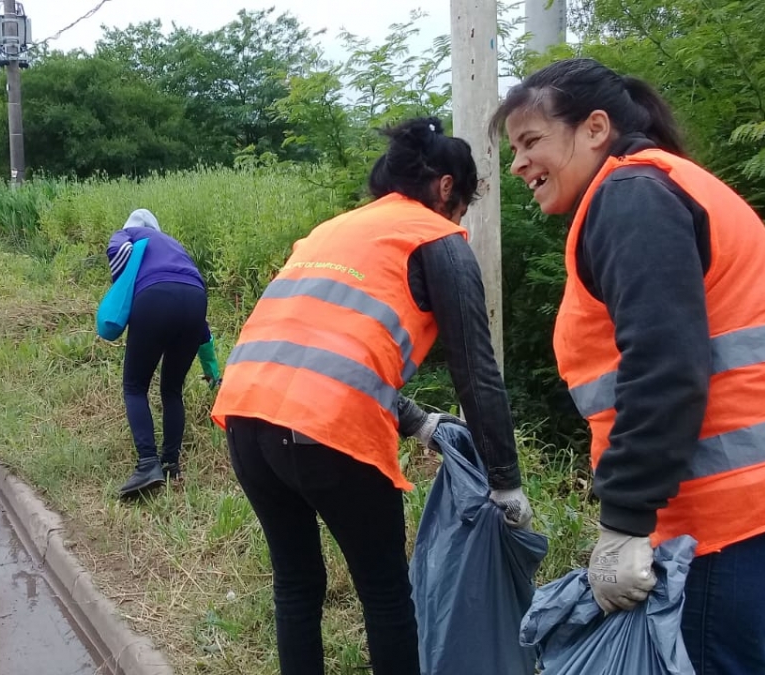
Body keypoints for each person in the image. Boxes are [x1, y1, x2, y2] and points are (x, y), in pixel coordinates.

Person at [491, 57, 765, 674]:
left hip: (738, 524)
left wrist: (624, 520)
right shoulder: (670, 185)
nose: (517, 163)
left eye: (531, 140)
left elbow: (664, 366)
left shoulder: (631, 196)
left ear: (595, 128)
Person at [209, 116, 530, 675]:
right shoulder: (436, 238)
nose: (463, 224)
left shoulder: (333, 231)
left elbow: (325, 352)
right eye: (464, 209)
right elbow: (476, 372)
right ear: (447, 189)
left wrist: (419, 422)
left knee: (297, 582)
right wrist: (505, 483)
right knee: (384, 591)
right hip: (327, 432)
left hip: (246, 416)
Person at [106, 209, 219, 498]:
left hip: (154, 298)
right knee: (171, 390)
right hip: (196, 298)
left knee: (134, 386)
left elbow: (117, 250)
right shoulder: (173, 246)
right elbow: (202, 329)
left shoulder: (129, 233)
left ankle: (147, 464)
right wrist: (214, 372)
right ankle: (171, 465)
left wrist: (122, 285)